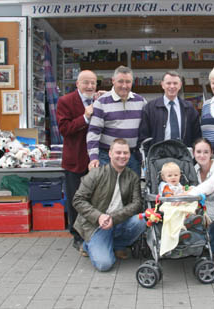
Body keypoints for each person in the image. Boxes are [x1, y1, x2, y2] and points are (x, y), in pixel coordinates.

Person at [73, 138, 146, 272]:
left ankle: (117, 245)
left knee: (141, 220)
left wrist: (113, 218)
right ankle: (88, 245)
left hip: (118, 221)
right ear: (110, 154)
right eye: (118, 152)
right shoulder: (96, 174)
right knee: (104, 264)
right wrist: (99, 216)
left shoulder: (132, 177)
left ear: (130, 155)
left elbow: (137, 204)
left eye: (126, 153)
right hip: (96, 225)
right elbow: (78, 200)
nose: (122, 156)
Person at [56, 69, 98, 256]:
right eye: (86, 83)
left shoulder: (99, 100)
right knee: (76, 200)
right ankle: (77, 237)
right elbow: (64, 129)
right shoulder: (65, 101)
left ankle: (94, 234)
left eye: (93, 83)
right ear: (77, 84)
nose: (90, 86)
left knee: (95, 199)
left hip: (96, 160)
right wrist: (85, 117)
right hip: (75, 160)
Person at [87, 66, 147, 176]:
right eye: (120, 81)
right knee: (108, 192)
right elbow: (94, 133)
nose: (124, 85)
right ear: (113, 81)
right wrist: (93, 157)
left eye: (128, 82)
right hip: (107, 158)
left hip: (132, 157)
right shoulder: (101, 102)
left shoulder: (141, 102)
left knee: (132, 192)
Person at [138, 71, 201, 151]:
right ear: (162, 85)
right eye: (168, 83)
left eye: (175, 83)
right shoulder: (150, 108)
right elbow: (143, 136)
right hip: (157, 157)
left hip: (183, 157)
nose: (172, 86)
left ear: (180, 85)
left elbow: (196, 136)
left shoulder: (189, 108)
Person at [187, 138, 214, 254]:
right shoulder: (194, 171)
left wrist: (187, 194)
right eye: (198, 152)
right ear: (193, 153)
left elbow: (210, 186)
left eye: (206, 152)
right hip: (206, 214)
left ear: (211, 153)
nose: (202, 155)